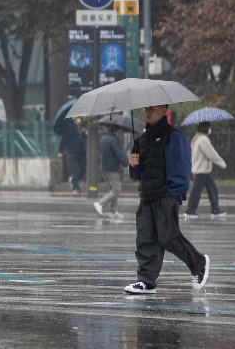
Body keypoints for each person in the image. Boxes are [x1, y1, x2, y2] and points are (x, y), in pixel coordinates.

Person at [125, 104, 210, 295]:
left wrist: (173, 193)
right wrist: (133, 165)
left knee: (168, 237)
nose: (147, 112)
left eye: (152, 109)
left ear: (164, 110)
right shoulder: (141, 140)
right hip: (146, 196)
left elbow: (181, 167)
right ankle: (146, 281)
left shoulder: (173, 136)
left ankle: (199, 263)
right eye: (146, 109)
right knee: (145, 239)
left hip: (165, 195)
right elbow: (137, 174)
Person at [184, 122, 227, 219]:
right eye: (209, 128)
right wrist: (222, 163)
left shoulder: (196, 138)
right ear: (206, 129)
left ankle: (215, 210)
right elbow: (211, 154)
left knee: (210, 190)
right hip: (202, 170)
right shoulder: (203, 139)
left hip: (201, 169)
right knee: (199, 191)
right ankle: (190, 211)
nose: (210, 130)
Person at [93, 125, 128, 218]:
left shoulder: (103, 139)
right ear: (116, 131)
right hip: (112, 168)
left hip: (104, 168)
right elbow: (119, 155)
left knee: (113, 190)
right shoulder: (113, 140)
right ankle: (100, 204)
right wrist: (127, 164)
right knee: (116, 190)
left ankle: (114, 211)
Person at [58, 117, 86, 194]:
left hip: (81, 152)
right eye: (76, 119)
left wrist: (85, 134)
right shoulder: (69, 128)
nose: (77, 120)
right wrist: (60, 150)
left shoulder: (82, 126)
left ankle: (73, 179)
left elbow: (82, 138)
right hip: (72, 152)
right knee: (76, 169)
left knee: (83, 169)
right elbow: (64, 139)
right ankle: (75, 188)